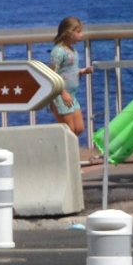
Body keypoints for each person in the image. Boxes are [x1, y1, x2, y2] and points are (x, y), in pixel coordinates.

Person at [46, 17, 101, 168]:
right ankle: (68, 164)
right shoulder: (58, 52)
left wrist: (83, 70)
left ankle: (64, 157)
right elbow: (52, 74)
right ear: (69, 33)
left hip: (72, 95)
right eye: (78, 32)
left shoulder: (72, 51)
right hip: (60, 95)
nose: (81, 35)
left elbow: (69, 70)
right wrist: (62, 92)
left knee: (79, 128)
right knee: (69, 131)